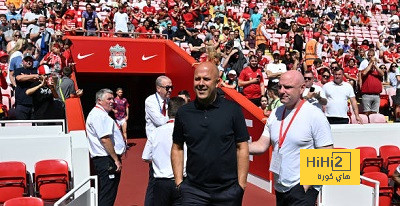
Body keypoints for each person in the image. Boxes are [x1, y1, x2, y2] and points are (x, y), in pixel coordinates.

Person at [249, 70, 333, 206]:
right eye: (280, 87)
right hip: (280, 186)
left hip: (302, 188)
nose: (282, 91)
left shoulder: (314, 115)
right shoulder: (276, 113)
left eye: (287, 87)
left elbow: (326, 153)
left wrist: (306, 185)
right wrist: (237, 146)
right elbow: (261, 145)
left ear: (302, 89)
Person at [171, 61, 249, 205]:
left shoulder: (233, 110)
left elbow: (242, 147)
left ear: (217, 82)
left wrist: (241, 185)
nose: (201, 83)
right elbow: (177, 147)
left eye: (206, 79)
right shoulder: (183, 112)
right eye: (197, 79)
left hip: (228, 192)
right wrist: (179, 182)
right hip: (193, 192)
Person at [142, 97, 186, 206]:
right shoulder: (188, 132)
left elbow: (146, 157)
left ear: (167, 111)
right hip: (182, 181)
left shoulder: (156, 132)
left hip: (161, 183)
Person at [86, 88, 126, 206]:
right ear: (99, 100)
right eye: (109, 99)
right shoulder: (99, 116)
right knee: (107, 195)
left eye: (113, 98)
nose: (112, 101)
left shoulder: (99, 114)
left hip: (104, 160)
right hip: (106, 160)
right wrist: (115, 159)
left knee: (106, 193)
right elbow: (105, 139)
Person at [144, 75, 172, 206]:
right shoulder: (150, 101)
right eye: (167, 87)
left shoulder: (169, 100)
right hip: (156, 144)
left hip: (168, 141)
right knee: (154, 179)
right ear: (158, 88)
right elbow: (160, 121)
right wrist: (173, 119)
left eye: (172, 87)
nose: (170, 90)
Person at [359, 50, 384, 115]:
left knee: (375, 113)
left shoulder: (377, 71)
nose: (370, 57)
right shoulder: (365, 68)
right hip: (367, 94)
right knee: (367, 112)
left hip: (376, 95)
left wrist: (375, 65)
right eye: (369, 55)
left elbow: (382, 74)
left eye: (371, 55)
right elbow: (364, 73)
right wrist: (370, 63)